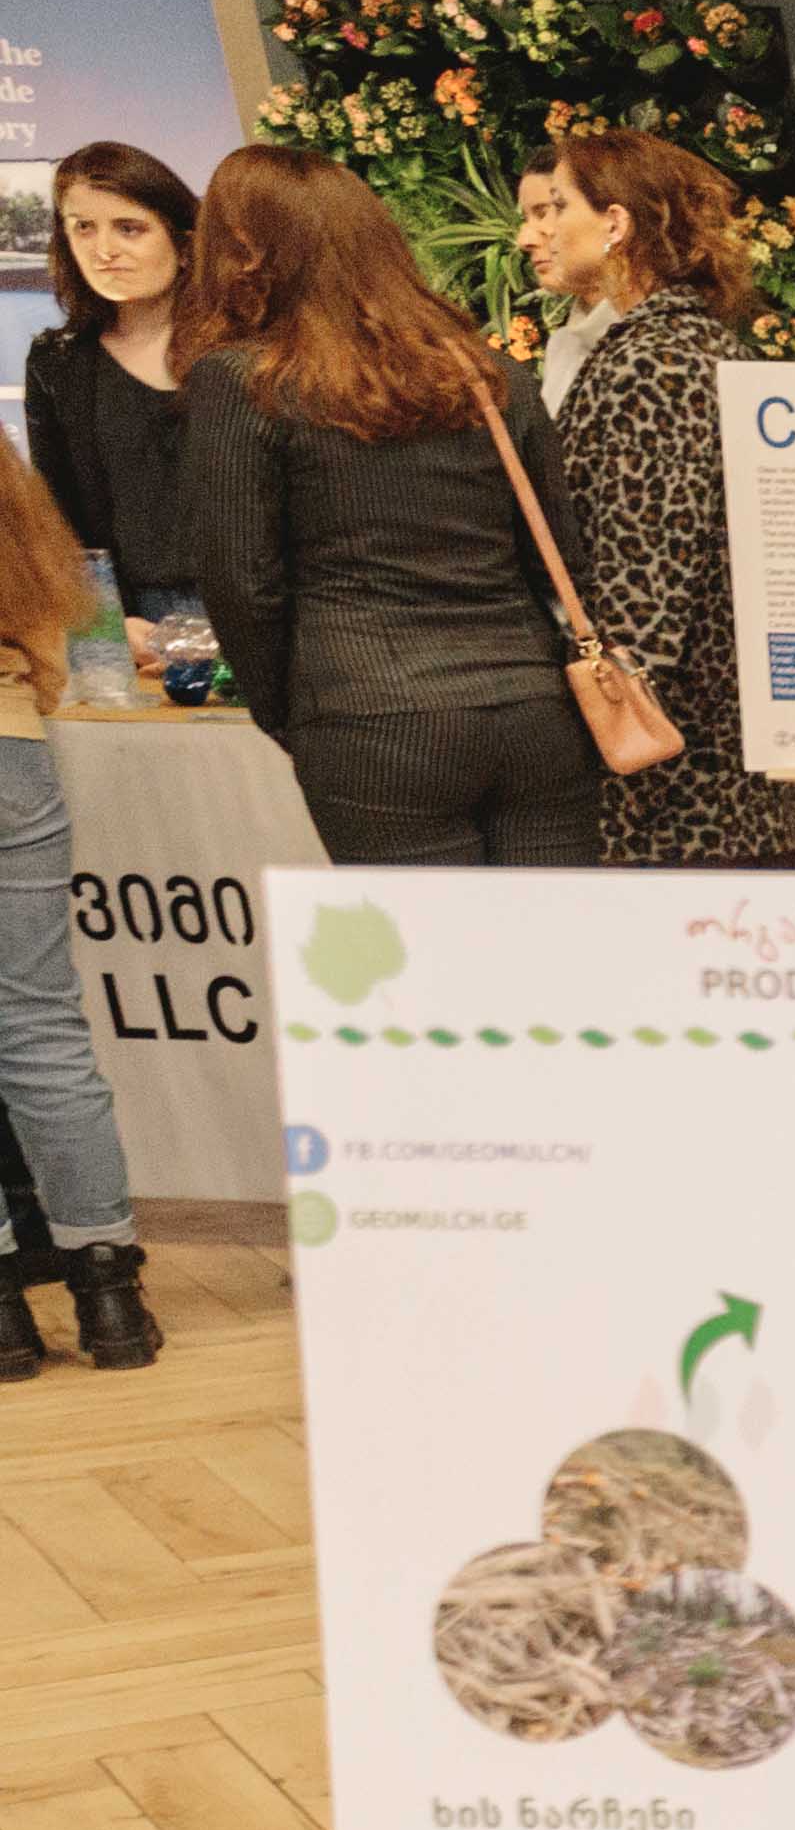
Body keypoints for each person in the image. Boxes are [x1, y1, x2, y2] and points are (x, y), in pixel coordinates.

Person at [171, 145, 592, 867]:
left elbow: (241, 583)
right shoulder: (490, 374)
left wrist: (289, 713)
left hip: (368, 716)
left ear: (242, 254)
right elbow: (561, 554)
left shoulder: (244, 381)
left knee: (423, 944)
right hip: (534, 712)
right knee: (549, 941)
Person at [520, 128, 795, 871]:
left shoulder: (657, 364)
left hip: (691, 802)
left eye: (557, 206)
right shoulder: (681, 347)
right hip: (721, 792)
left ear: (615, 223)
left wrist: (614, 785)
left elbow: (642, 597)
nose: (533, 233)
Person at [0, 444, 157, 1371]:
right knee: (42, 1027)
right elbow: (47, 625)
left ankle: (3, 1321)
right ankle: (110, 1298)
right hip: (10, 750)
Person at [24, 138, 204, 614]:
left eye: (129, 228)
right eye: (83, 228)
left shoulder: (240, 348)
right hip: (136, 615)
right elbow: (59, 517)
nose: (104, 250)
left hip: (259, 610)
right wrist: (109, 621)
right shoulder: (57, 361)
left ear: (184, 244)